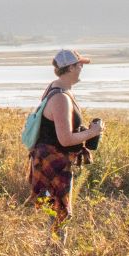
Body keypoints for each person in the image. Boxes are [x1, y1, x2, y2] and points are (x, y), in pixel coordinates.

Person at [27, 48, 103, 232]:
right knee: (60, 216)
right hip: (53, 163)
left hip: (49, 160)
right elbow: (66, 139)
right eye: (79, 65)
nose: (81, 68)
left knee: (55, 215)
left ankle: (53, 253)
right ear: (70, 68)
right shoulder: (60, 97)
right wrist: (94, 132)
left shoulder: (57, 87)